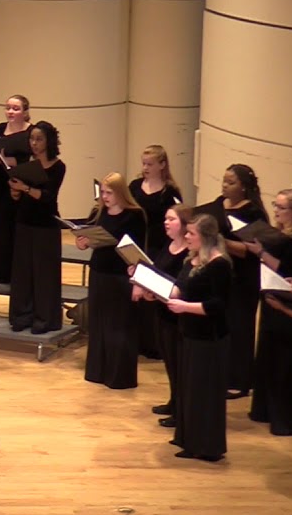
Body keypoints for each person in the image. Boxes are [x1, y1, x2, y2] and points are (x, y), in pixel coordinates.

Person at [245, 188, 292, 436]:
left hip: (290, 296)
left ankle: (285, 417)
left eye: (280, 207)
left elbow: (290, 269)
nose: (275, 211)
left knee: (283, 359)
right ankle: (264, 409)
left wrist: (261, 253)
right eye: (274, 206)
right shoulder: (279, 233)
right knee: (267, 353)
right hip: (271, 294)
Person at [167, 214, 233, 462]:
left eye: (191, 234)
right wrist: (159, 292)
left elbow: (218, 305)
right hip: (189, 333)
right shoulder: (193, 259)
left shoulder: (220, 265)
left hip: (209, 339)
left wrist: (184, 307)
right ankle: (187, 438)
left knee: (203, 393)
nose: (186, 237)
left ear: (205, 237)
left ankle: (206, 446)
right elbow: (179, 287)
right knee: (188, 389)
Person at [81, 172, 147, 389]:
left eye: (109, 193)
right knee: (99, 323)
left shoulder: (135, 216)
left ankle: (119, 376)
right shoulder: (99, 212)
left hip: (121, 275)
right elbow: (91, 240)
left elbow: (136, 251)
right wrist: (84, 242)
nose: (105, 197)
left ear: (120, 192)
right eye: (103, 192)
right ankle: (98, 372)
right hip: (99, 271)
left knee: (119, 325)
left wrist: (137, 280)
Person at [133, 204, 192, 429]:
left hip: (177, 316)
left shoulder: (188, 253)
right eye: (165, 218)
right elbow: (158, 273)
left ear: (184, 224)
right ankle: (173, 400)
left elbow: (180, 283)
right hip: (161, 310)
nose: (166, 222)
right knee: (169, 361)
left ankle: (181, 410)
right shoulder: (169, 246)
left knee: (179, 364)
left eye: (171, 219)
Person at [214, 163, 267, 398]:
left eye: (231, 182)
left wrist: (218, 241)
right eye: (224, 180)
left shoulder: (253, 213)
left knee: (240, 327)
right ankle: (222, 374)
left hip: (244, 277)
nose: (225, 186)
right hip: (222, 275)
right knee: (223, 325)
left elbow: (251, 250)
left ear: (244, 187)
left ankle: (240, 381)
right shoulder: (219, 204)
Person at [8, 121, 66, 334]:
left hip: (46, 224)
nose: (34, 143)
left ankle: (44, 318)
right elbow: (16, 196)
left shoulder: (58, 166)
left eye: (39, 139)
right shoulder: (26, 163)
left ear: (49, 141)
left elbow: (48, 197)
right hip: (24, 221)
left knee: (44, 274)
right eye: (31, 139)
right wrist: (15, 191)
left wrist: (24, 187)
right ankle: (22, 315)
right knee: (23, 272)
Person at [128, 145, 184, 359]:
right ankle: (137, 340)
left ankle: (154, 345)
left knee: (153, 294)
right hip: (137, 243)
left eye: (150, 164)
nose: (145, 168)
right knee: (135, 293)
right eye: (143, 163)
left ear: (162, 165)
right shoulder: (134, 187)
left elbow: (178, 217)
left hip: (159, 247)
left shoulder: (169, 193)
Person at [0, 95, 32, 284]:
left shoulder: (31, 132)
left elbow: (35, 160)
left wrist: (11, 161)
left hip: (20, 182)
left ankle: (14, 272)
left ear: (25, 112)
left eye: (16, 108)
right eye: (8, 108)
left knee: (15, 226)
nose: (11, 111)